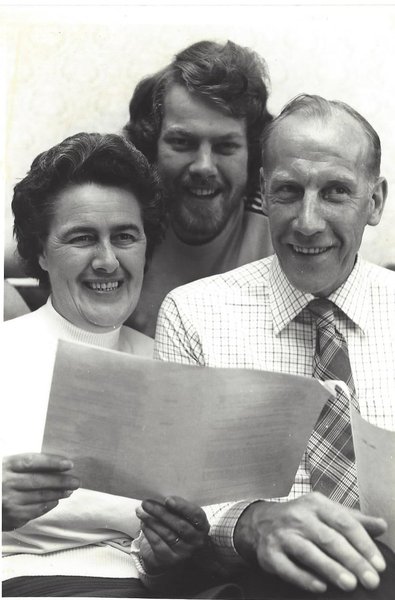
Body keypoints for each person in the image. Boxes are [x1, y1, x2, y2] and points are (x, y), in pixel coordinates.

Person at [153, 95, 395, 598]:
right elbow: (175, 498)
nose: (307, 222)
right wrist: (256, 522)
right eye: (288, 191)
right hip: (256, 581)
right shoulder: (195, 314)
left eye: (335, 192)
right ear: (263, 192)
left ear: (374, 202)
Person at [1, 132, 210, 597]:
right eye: (82, 238)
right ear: (39, 251)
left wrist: (166, 555)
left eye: (125, 237)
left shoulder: (172, 361)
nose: (108, 260)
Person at [123, 40, 274, 337]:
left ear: (251, 154)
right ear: (152, 146)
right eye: (182, 142)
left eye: (225, 146)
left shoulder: (278, 233)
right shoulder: (124, 216)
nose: (204, 166)